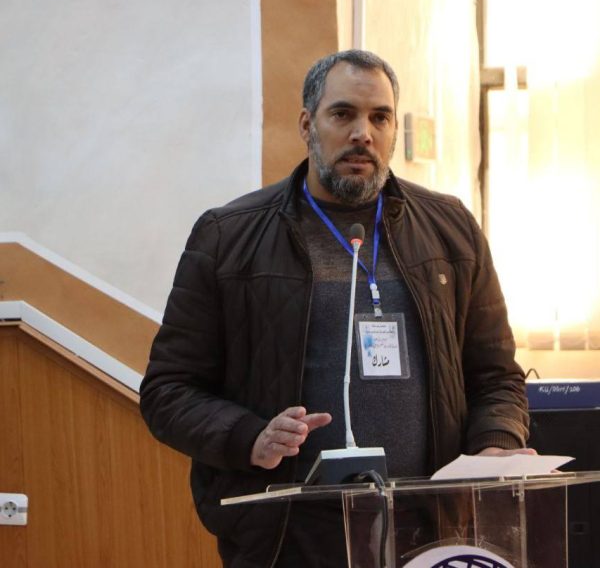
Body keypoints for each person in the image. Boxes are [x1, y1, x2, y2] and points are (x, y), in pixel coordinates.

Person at [139, 49, 532, 567]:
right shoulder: (228, 236)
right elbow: (168, 391)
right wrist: (249, 437)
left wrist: (495, 443)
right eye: (343, 114)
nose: (362, 133)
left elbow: (496, 376)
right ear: (307, 124)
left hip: (431, 529)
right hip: (289, 536)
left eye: (380, 118)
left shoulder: (450, 229)